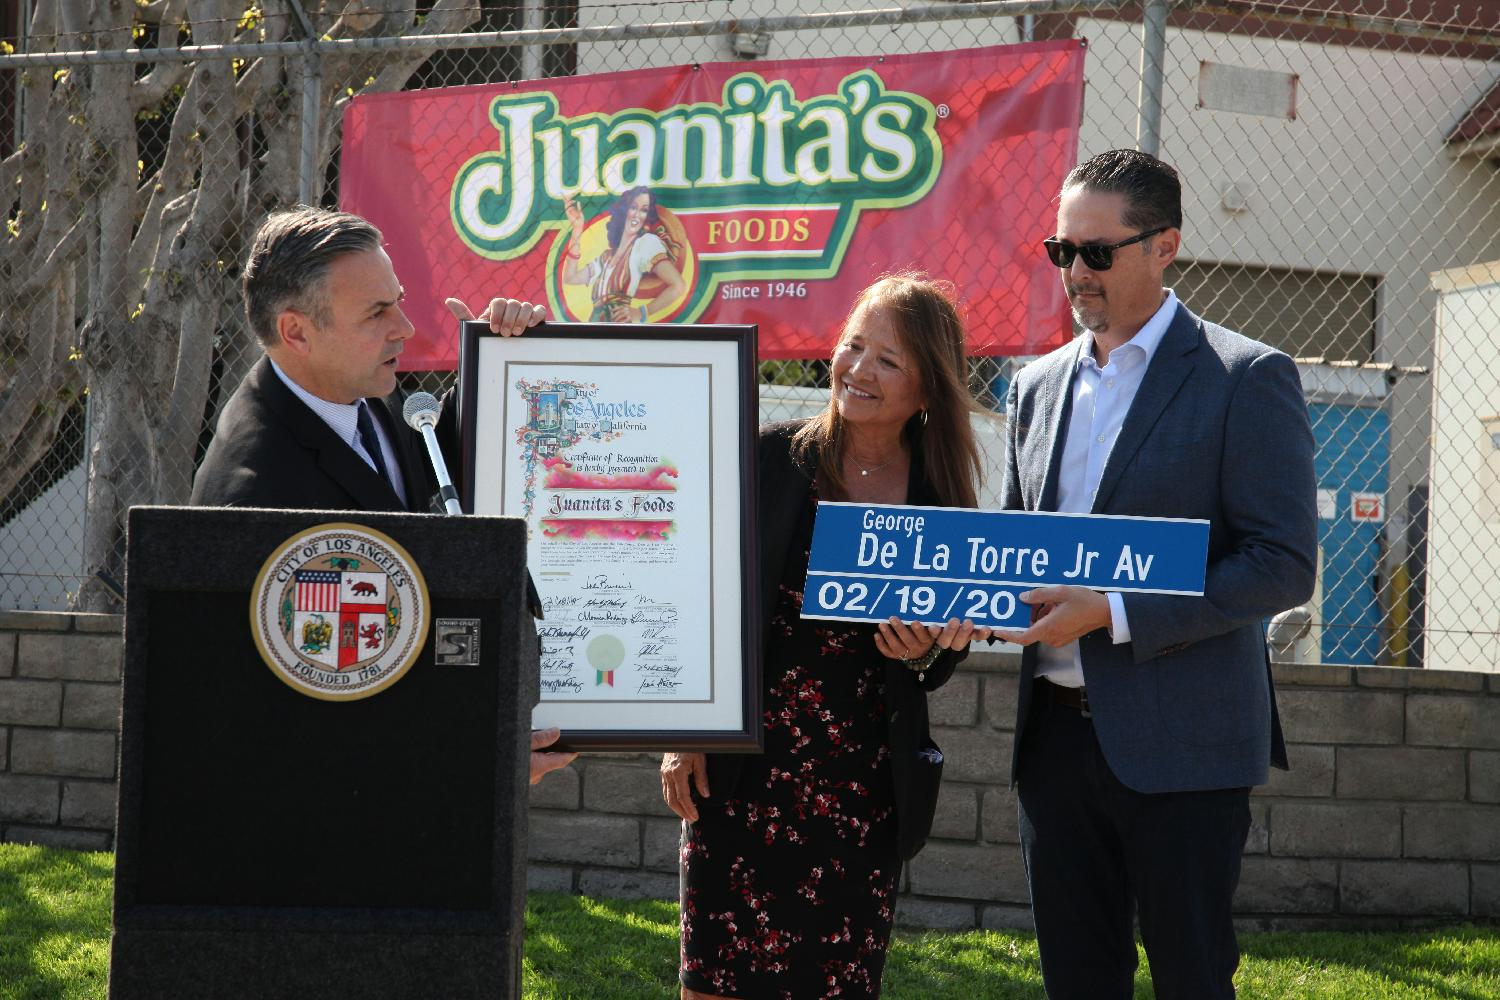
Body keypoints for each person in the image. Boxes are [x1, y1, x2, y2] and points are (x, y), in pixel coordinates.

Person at [996, 150, 1317, 998]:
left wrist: (1114, 611)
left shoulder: (1245, 376)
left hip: (1187, 748)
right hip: (1054, 747)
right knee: (1077, 981)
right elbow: (1009, 554)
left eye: (1097, 252)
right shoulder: (1033, 386)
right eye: (1061, 250)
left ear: (1165, 245)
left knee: (1192, 979)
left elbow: (1281, 563)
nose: (1075, 272)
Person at [660, 275, 990, 1000]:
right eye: (853, 345)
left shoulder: (940, 495)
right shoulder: (769, 458)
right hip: (742, 772)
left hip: (860, 786)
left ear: (928, 387)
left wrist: (930, 648)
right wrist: (685, 729)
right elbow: (697, 593)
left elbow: (945, 649)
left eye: (889, 360)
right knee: (714, 984)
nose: (859, 369)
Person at [191, 205, 575, 784]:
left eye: (398, 300)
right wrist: (474, 757)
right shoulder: (256, 491)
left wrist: (498, 369)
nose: (405, 327)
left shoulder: (361, 391)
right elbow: (308, 707)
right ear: (297, 331)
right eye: (377, 312)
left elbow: (428, 477)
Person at [562, 186, 686, 321]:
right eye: (633, 207)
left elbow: (678, 286)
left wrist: (641, 312)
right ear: (624, 211)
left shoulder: (644, 245)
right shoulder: (606, 258)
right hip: (594, 327)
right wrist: (577, 229)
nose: (637, 214)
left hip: (618, 328)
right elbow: (570, 278)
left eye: (644, 210)